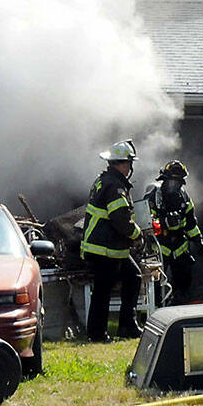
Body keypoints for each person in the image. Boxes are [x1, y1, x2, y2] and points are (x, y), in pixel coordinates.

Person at [80, 139, 144, 341]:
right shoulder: (114, 186)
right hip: (103, 249)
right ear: (123, 164)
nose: (130, 168)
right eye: (129, 163)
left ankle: (127, 326)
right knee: (102, 291)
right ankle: (98, 334)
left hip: (110, 248)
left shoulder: (105, 180)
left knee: (133, 277)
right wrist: (137, 234)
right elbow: (121, 221)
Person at [146, 160, 203, 303]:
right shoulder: (154, 196)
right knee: (155, 287)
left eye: (178, 182)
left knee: (184, 284)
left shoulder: (184, 197)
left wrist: (198, 240)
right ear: (164, 180)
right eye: (172, 181)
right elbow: (146, 223)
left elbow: (191, 223)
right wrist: (164, 223)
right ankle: (155, 313)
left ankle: (179, 308)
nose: (175, 185)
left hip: (180, 248)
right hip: (159, 249)